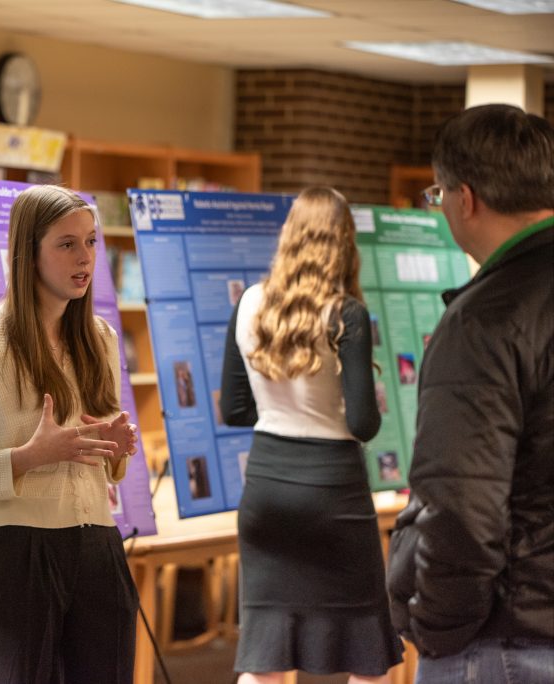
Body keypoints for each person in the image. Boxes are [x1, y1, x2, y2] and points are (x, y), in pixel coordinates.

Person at [0, 184, 140, 683]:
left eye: (90, 242)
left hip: (97, 545)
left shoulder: (101, 339)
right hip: (15, 555)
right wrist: (27, 457)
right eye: (66, 244)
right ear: (28, 254)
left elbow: (103, 452)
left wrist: (117, 449)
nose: (84, 257)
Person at [387, 104, 554, 683]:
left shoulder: (484, 319)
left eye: (436, 196)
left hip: (508, 637)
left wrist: (439, 627)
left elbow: (463, 504)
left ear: (465, 198)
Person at [220, 186, 404, 683]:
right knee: (367, 653)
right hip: (333, 492)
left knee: (266, 656)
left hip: (266, 487)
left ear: (289, 236)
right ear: (344, 243)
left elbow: (234, 409)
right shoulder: (346, 313)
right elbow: (364, 423)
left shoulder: (250, 303)